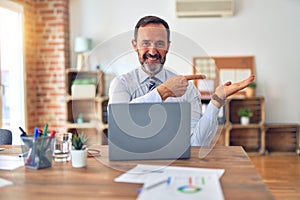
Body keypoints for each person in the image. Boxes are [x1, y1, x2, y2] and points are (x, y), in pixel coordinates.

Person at [108, 15, 254, 146]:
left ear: (168, 46)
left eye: (159, 44)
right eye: (145, 43)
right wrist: (162, 92)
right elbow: (120, 128)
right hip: (131, 167)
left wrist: (216, 102)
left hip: (175, 166)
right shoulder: (121, 84)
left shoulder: (187, 89)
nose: (152, 51)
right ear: (135, 45)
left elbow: (197, 143)